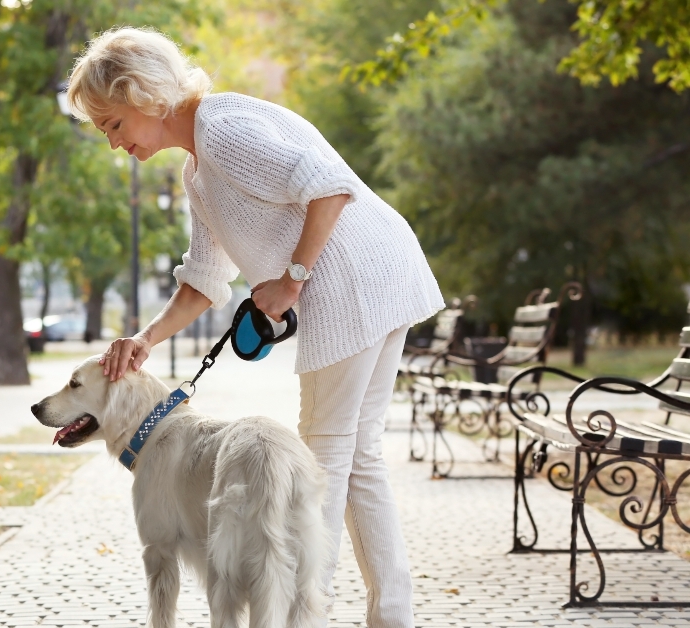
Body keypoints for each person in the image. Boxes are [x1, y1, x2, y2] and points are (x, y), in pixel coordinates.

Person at [65, 26, 444, 628]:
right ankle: (390, 616)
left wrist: (292, 278)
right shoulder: (198, 170)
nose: (113, 143)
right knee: (356, 452)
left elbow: (329, 188)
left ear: (142, 96)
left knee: (323, 455)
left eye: (112, 124)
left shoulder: (223, 129)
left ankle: (302, 615)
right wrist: (144, 341)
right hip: (378, 276)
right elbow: (204, 281)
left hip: (354, 285)